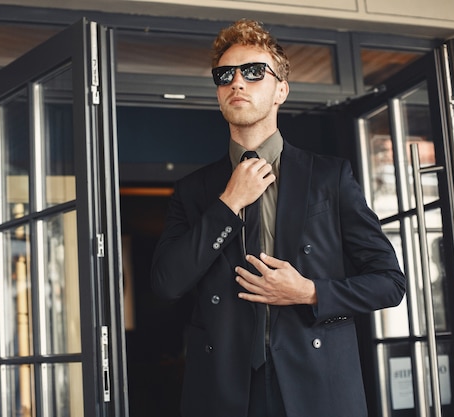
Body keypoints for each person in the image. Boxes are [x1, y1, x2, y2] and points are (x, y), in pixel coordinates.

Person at [150, 18, 406, 417]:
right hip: (223, 389)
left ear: (280, 90)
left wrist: (310, 292)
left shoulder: (329, 176)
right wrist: (228, 204)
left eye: (254, 72)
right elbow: (167, 282)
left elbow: (389, 283)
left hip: (317, 384)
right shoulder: (194, 191)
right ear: (218, 92)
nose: (237, 82)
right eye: (225, 75)